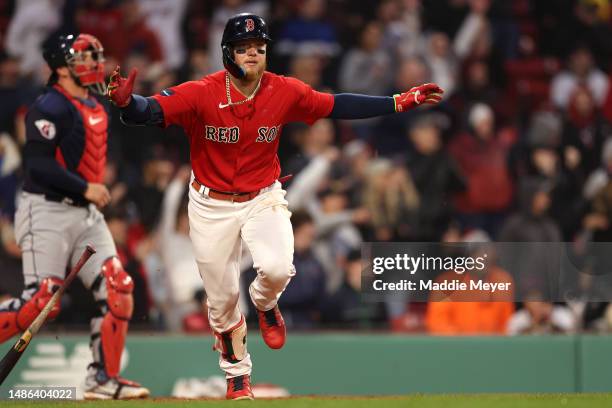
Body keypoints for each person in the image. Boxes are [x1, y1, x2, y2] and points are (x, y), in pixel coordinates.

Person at [107, 13, 443, 400]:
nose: (252, 54)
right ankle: (237, 376)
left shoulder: (283, 91)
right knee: (221, 302)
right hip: (210, 205)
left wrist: (397, 102)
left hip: (263, 196)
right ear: (228, 53)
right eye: (244, 48)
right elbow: (149, 111)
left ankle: (265, 302)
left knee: (279, 269)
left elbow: (336, 105)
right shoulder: (202, 91)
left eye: (259, 49)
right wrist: (125, 102)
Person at [0, 34, 149, 400]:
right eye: (83, 57)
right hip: (46, 210)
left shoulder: (96, 103)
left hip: (86, 215)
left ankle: (102, 378)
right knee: (40, 301)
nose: (94, 62)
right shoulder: (47, 106)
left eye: (94, 55)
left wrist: (127, 102)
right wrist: (85, 187)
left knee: (118, 288)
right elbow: (37, 166)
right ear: (61, 67)